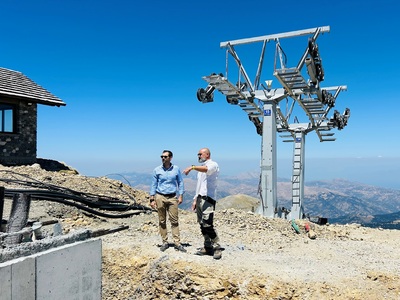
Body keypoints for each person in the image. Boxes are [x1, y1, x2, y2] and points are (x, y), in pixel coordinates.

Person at [183, 147, 221, 260]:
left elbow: (207, 169)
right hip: (200, 198)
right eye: (198, 154)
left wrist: (192, 167)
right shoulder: (201, 169)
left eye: (200, 154)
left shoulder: (213, 164)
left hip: (208, 199)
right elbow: (199, 185)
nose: (198, 156)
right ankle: (207, 246)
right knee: (201, 223)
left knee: (208, 224)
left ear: (207, 154)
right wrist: (195, 200)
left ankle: (217, 246)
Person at [149, 150, 186, 252]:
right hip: (160, 196)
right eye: (162, 156)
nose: (163, 158)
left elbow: (180, 182)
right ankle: (165, 242)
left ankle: (177, 243)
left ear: (170, 158)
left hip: (172, 197)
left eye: (165, 157)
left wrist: (181, 195)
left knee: (174, 220)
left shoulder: (176, 169)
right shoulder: (157, 170)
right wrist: (152, 198)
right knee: (162, 220)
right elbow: (153, 184)